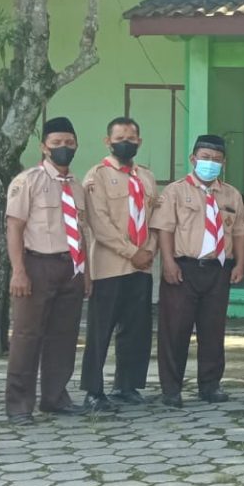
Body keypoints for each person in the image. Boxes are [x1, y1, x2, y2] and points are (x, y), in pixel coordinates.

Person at [4, 117, 91, 424]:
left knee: (64, 336)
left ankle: (55, 398)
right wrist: (18, 271)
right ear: (44, 147)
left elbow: (81, 233)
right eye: (56, 143)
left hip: (71, 268)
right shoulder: (27, 181)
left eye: (69, 142)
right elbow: (14, 228)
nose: (63, 148)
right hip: (36, 265)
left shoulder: (77, 187)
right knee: (27, 336)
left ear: (76, 145)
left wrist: (86, 273)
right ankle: (19, 405)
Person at [151, 135, 244, 408]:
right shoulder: (175, 191)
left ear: (224, 163)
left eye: (217, 160)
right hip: (184, 268)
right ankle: (171, 389)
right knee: (175, 330)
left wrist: (241, 264)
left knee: (213, 330)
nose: (211, 163)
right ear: (193, 159)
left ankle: (210, 385)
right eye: (205, 158)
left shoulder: (231, 194)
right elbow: (164, 229)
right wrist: (168, 263)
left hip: (218, 269)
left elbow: (239, 231)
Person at [79, 117, 158, 413]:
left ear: (140, 141)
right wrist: (131, 252)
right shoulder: (97, 176)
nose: (126, 143)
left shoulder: (146, 177)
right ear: (108, 141)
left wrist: (148, 250)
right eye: (120, 138)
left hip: (142, 266)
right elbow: (99, 224)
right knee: (100, 331)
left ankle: (126, 385)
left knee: (136, 329)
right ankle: (93, 390)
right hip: (110, 266)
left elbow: (155, 220)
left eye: (132, 138)